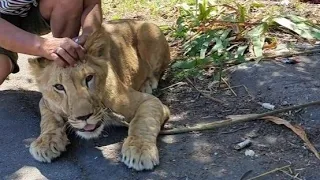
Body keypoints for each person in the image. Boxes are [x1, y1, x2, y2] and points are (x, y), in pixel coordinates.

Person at [0, 0, 102, 85]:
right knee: (2, 68)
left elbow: (92, 4)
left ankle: (66, 66)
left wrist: (89, 36)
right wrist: (44, 46)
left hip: (32, 10)